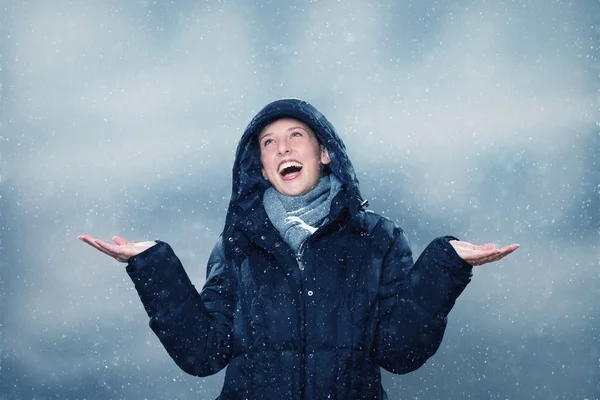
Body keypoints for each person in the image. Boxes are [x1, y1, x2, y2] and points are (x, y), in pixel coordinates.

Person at [79, 98, 519, 399]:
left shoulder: (377, 240)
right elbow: (204, 352)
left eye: (295, 136)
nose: (282, 147)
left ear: (325, 152)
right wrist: (152, 265)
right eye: (269, 142)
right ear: (263, 166)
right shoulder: (237, 245)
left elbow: (399, 351)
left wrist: (445, 266)